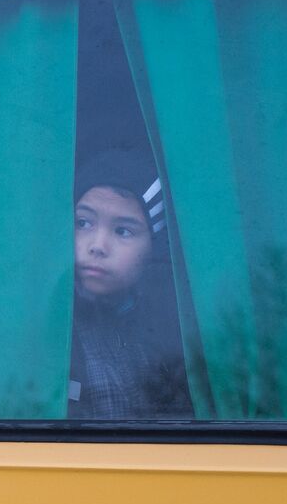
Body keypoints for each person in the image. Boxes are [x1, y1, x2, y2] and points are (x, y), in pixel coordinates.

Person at [67, 152, 193, 420]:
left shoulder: (173, 333)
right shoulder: (49, 329)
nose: (98, 246)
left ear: (153, 249)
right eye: (83, 223)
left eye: (123, 230)